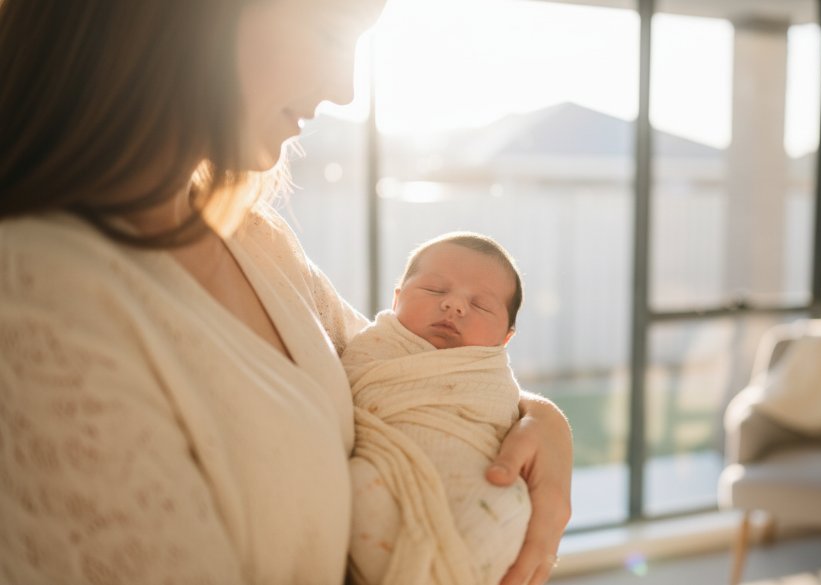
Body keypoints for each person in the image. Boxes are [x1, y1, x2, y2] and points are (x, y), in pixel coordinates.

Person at [0, 1, 572, 584]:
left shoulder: (253, 240)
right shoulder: (39, 307)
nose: (345, 88)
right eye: (328, 32)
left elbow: (404, 365)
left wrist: (540, 422)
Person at [345, 232, 530, 585]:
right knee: (364, 491)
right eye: (434, 290)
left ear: (505, 338)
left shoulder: (490, 379)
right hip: (384, 475)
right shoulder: (373, 347)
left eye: (481, 306)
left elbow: (502, 418)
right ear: (396, 298)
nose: (454, 305)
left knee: (505, 507)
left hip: (481, 493)